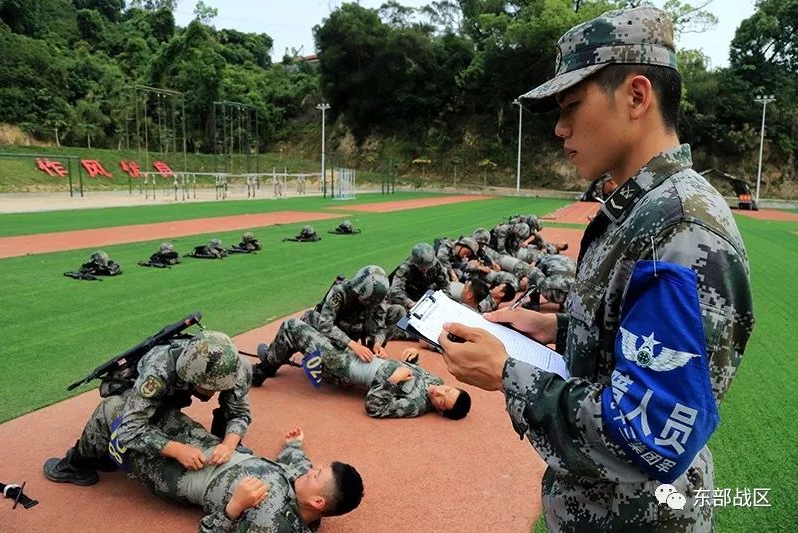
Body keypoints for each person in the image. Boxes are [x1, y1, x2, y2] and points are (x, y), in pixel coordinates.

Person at [437, 6, 753, 532]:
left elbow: (652, 434)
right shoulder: (646, 209)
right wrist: (560, 331)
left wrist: (507, 374)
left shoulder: (679, 228)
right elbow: (635, 348)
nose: (560, 129)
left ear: (636, 96)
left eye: (572, 106)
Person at [49, 393, 363, 533]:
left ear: (318, 501)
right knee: (135, 404)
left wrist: (233, 508)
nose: (311, 469)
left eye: (317, 473)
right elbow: (295, 463)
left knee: (113, 410)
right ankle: (105, 449)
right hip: (208, 449)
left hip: (179, 477)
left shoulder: (273, 526)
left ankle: (76, 465)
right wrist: (295, 443)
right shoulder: (303, 490)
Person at [44, 330, 252, 486]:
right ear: (191, 377)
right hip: (139, 394)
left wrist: (227, 445)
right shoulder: (157, 370)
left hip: (176, 391)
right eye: (208, 388)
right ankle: (75, 464)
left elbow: (239, 412)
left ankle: (216, 446)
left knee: (223, 420)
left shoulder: (235, 367)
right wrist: (178, 450)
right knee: (112, 410)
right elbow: (130, 428)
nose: (212, 393)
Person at [254, 318, 471, 420]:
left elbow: (375, 408)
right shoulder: (438, 381)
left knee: (292, 327)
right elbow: (412, 373)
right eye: (448, 391)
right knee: (312, 317)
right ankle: (277, 353)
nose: (439, 392)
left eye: (442, 400)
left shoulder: (414, 405)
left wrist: (392, 380)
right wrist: (411, 360)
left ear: (441, 410)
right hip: (364, 356)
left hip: (342, 367)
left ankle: (264, 369)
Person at [284, 266, 403, 370]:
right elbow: (325, 326)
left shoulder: (376, 299)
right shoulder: (339, 292)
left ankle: (371, 354)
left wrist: (377, 343)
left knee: (398, 311)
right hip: (338, 332)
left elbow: (380, 328)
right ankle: (282, 354)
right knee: (309, 317)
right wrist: (352, 345)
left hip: (358, 329)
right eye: (365, 301)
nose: (368, 304)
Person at [387, 242, 451, 311]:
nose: (425, 270)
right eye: (422, 267)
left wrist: (442, 300)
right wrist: (408, 302)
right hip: (410, 298)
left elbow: (445, 285)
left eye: (428, 267)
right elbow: (395, 290)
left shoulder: (436, 264)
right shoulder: (406, 268)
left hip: (427, 296)